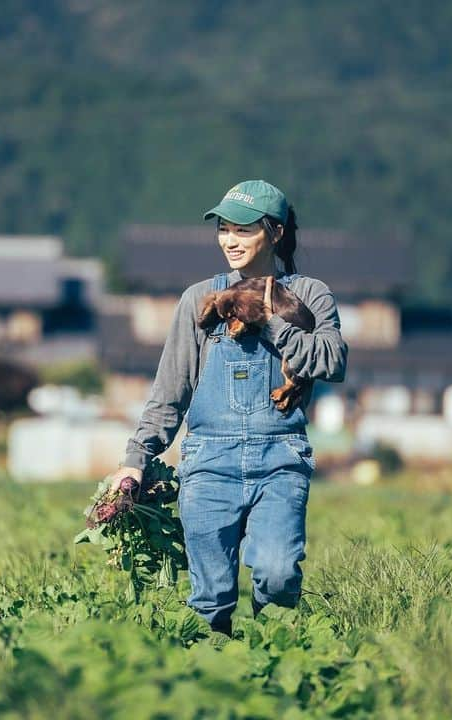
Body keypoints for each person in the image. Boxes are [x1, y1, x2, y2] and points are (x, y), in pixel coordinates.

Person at [110, 179, 348, 636]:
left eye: (243, 229)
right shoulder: (198, 300)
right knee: (210, 601)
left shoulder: (309, 294)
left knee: (278, 577)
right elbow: (169, 393)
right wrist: (135, 462)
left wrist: (270, 320)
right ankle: (211, 685)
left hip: (281, 460)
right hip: (208, 464)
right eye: (223, 229)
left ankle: (273, 670)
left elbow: (333, 361)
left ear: (275, 234)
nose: (230, 240)